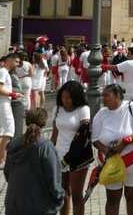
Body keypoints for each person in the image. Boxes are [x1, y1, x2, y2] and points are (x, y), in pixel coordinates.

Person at [92, 84, 133, 215]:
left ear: (117, 96)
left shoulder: (131, 107)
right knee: (112, 199)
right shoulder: (101, 114)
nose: (103, 98)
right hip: (111, 164)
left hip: (132, 162)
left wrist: (125, 142)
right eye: (103, 95)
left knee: (132, 197)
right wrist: (106, 151)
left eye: (107, 95)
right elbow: (94, 139)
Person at [4, 108, 64, 215]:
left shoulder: (13, 144)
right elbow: (54, 180)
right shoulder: (45, 147)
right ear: (44, 123)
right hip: (39, 207)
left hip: (13, 204)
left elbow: (7, 173)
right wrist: (60, 199)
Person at [51, 81, 90, 215]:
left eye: (68, 97)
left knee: (77, 195)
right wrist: (50, 152)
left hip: (77, 156)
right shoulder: (57, 109)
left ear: (76, 97)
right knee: (63, 193)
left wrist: (69, 158)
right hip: (59, 155)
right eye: (63, 97)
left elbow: (83, 136)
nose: (65, 100)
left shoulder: (83, 109)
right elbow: (54, 134)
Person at [0, 53, 23, 166]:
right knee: (10, 131)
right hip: (2, 105)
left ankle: (1, 160)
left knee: (0, 132)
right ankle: (3, 159)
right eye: (16, 61)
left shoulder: (3, 72)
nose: (18, 64)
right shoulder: (3, 72)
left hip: (0, 104)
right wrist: (13, 94)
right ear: (9, 60)